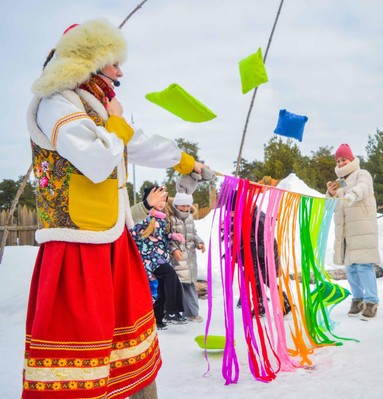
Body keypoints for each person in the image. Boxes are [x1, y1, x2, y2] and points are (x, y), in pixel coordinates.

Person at [24, 19, 212, 399]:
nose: (120, 72)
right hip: (77, 245)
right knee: (82, 355)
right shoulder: (55, 103)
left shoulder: (95, 105)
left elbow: (136, 143)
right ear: (89, 60)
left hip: (112, 240)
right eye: (114, 63)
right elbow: (97, 161)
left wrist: (187, 162)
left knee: (132, 350)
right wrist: (117, 123)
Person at [326, 144, 381, 320]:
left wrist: (351, 194)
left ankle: (371, 301)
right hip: (346, 231)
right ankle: (357, 299)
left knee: (364, 265)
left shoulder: (361, 174)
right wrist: (331, 193)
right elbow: (329, 207)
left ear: (351, 159)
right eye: (338, 160)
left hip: (362, 228)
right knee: (351, 267)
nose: (341, 163)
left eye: (344, 159)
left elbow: (363, 188)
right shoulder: (339, 181)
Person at [131, 187, 188, 328]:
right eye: (159, 200)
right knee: (170, 276)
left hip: (160, 256)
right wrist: (141, 233)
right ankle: (172, 311)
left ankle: (159, 319)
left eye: (164, 200)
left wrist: (172, 236)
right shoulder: (143, 216)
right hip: (148, 258)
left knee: (162, 289)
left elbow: (160, 236)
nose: (162, 203)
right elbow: (132, 233)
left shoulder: (162, 217)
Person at [169, 192, 206, 322]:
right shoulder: (171, 219)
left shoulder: (189, 218)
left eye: (187, 206)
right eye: (182, 206)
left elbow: (193, 234)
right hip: (178, 259)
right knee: (181, 286)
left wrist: (199, 242)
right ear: (176, 205)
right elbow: (168, 238)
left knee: (189, 285)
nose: (185, 209)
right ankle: (186, 313)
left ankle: (191, 313)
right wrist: (174, 250)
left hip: (190, 257)